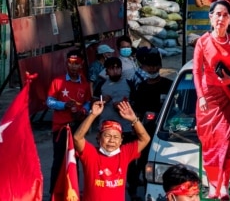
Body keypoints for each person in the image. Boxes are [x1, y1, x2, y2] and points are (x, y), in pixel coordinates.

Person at [193, 0, 230, 200]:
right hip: (208, 99)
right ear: (210, 17)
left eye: (225, 15)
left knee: (227, 143)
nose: (220, 18)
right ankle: (213, 185)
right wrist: (201, 96)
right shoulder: (202, 42)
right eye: (217, 14)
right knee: (210, 144)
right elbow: (195, 71)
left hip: (229, 98)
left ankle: (224, 186)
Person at [73, 99, 151, 200]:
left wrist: (134, 119)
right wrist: (92, 115)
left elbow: (145, 139)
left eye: (116, 137)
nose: (112, 140)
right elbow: (77, 138)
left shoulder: (125, 153)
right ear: (99, 137)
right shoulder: (91, 154)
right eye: (107, 136)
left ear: (121, 140)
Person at [128, 46, 173, 198]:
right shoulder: (141, 87)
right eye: (149, 65)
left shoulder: (169, 85)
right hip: (144, 132)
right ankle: (134, 192)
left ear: (160, 66)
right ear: (144, 67)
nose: (153, 68)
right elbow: (137, 110)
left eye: (155, 65)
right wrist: (136, 126)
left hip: (165, 132)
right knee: (141, 164)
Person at [46, 49, 92, 194]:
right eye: (70, 63)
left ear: (81, 64)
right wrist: (63, 105)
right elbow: (49, 101)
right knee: (59, 161)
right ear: (66, 63)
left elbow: (88, 102)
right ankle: (54, 192)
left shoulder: (84, 84)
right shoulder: (57, 81)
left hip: (77, 128)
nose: (73, 66)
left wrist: (83, 112)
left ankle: (73, 192)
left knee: (75, 160)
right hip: (60, 128)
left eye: (76, 63)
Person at [93, 56, 136, 143]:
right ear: (106, 71)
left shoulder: (129, 84)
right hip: (106, 129)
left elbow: (136, 105)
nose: (115, 71)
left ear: (121, 69)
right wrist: (103, 101)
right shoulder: (101, 85)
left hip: (125, 129)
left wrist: (123, 106)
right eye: (112, 69)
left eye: (117, 68)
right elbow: (93, 105)